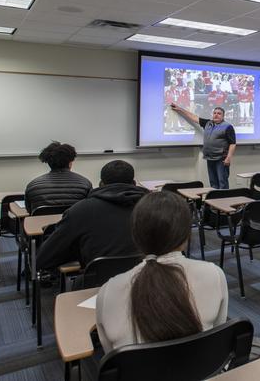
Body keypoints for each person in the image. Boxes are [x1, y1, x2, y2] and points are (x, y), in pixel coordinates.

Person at [96, 191, 228, 354]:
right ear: (186, 235)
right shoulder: (214, 274)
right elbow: (217, 337)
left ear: (136, 235)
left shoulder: (109, 290)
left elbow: (111, 355)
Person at [36, 160, 147, 272]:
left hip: (98, 285)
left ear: (101, 184)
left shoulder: (80, 210)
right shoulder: (153, 206)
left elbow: (44, 259)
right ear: (133, 183)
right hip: (150, 281)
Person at [171, 105, 236, 189]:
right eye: (214, 113)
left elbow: (232, 143)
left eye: (219, 113)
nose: (216, 115)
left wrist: (228, 158)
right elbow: (194, 117)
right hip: (209, 158)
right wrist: (180, 109)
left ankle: (224, 201)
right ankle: (215, 200)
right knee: (213, 182)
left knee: (222, 182)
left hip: (221, 159)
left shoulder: (228, 127)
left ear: (223, 116)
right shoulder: (208, 123)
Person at [25, 142, 92, 214]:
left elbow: (30, 212)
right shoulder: (86, 184)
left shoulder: (32, 186)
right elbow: (89, 210)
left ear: (48, 163)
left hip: (42, 225)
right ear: (70, 163)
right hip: (75, 224)